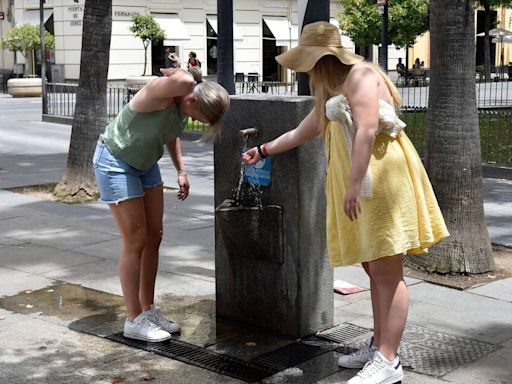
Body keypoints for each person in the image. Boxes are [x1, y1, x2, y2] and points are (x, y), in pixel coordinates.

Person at [242, 21, 449, 384]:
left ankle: (389, 360)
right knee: (375, 269)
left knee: (387, 272)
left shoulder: (361, 76)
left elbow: (367, 129)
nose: (304, 69)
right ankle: (379, 345)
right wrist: (263, 150)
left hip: (382, 181)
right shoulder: (333, 88)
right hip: (363, 183)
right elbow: (305, 130)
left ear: (321, 58)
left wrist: (353, 184)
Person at [93, 69, 230, 342]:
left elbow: (170, 134)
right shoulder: (159, 94)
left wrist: (181, 170)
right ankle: (133, 320)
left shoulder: (180, 108)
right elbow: (184, 80)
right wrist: (186, 74)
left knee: (154, 236)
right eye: (201, 118)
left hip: (145, 164)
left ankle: (148, 309)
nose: (197, 122)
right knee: (136, 240)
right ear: (193, 101)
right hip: (116, 163)